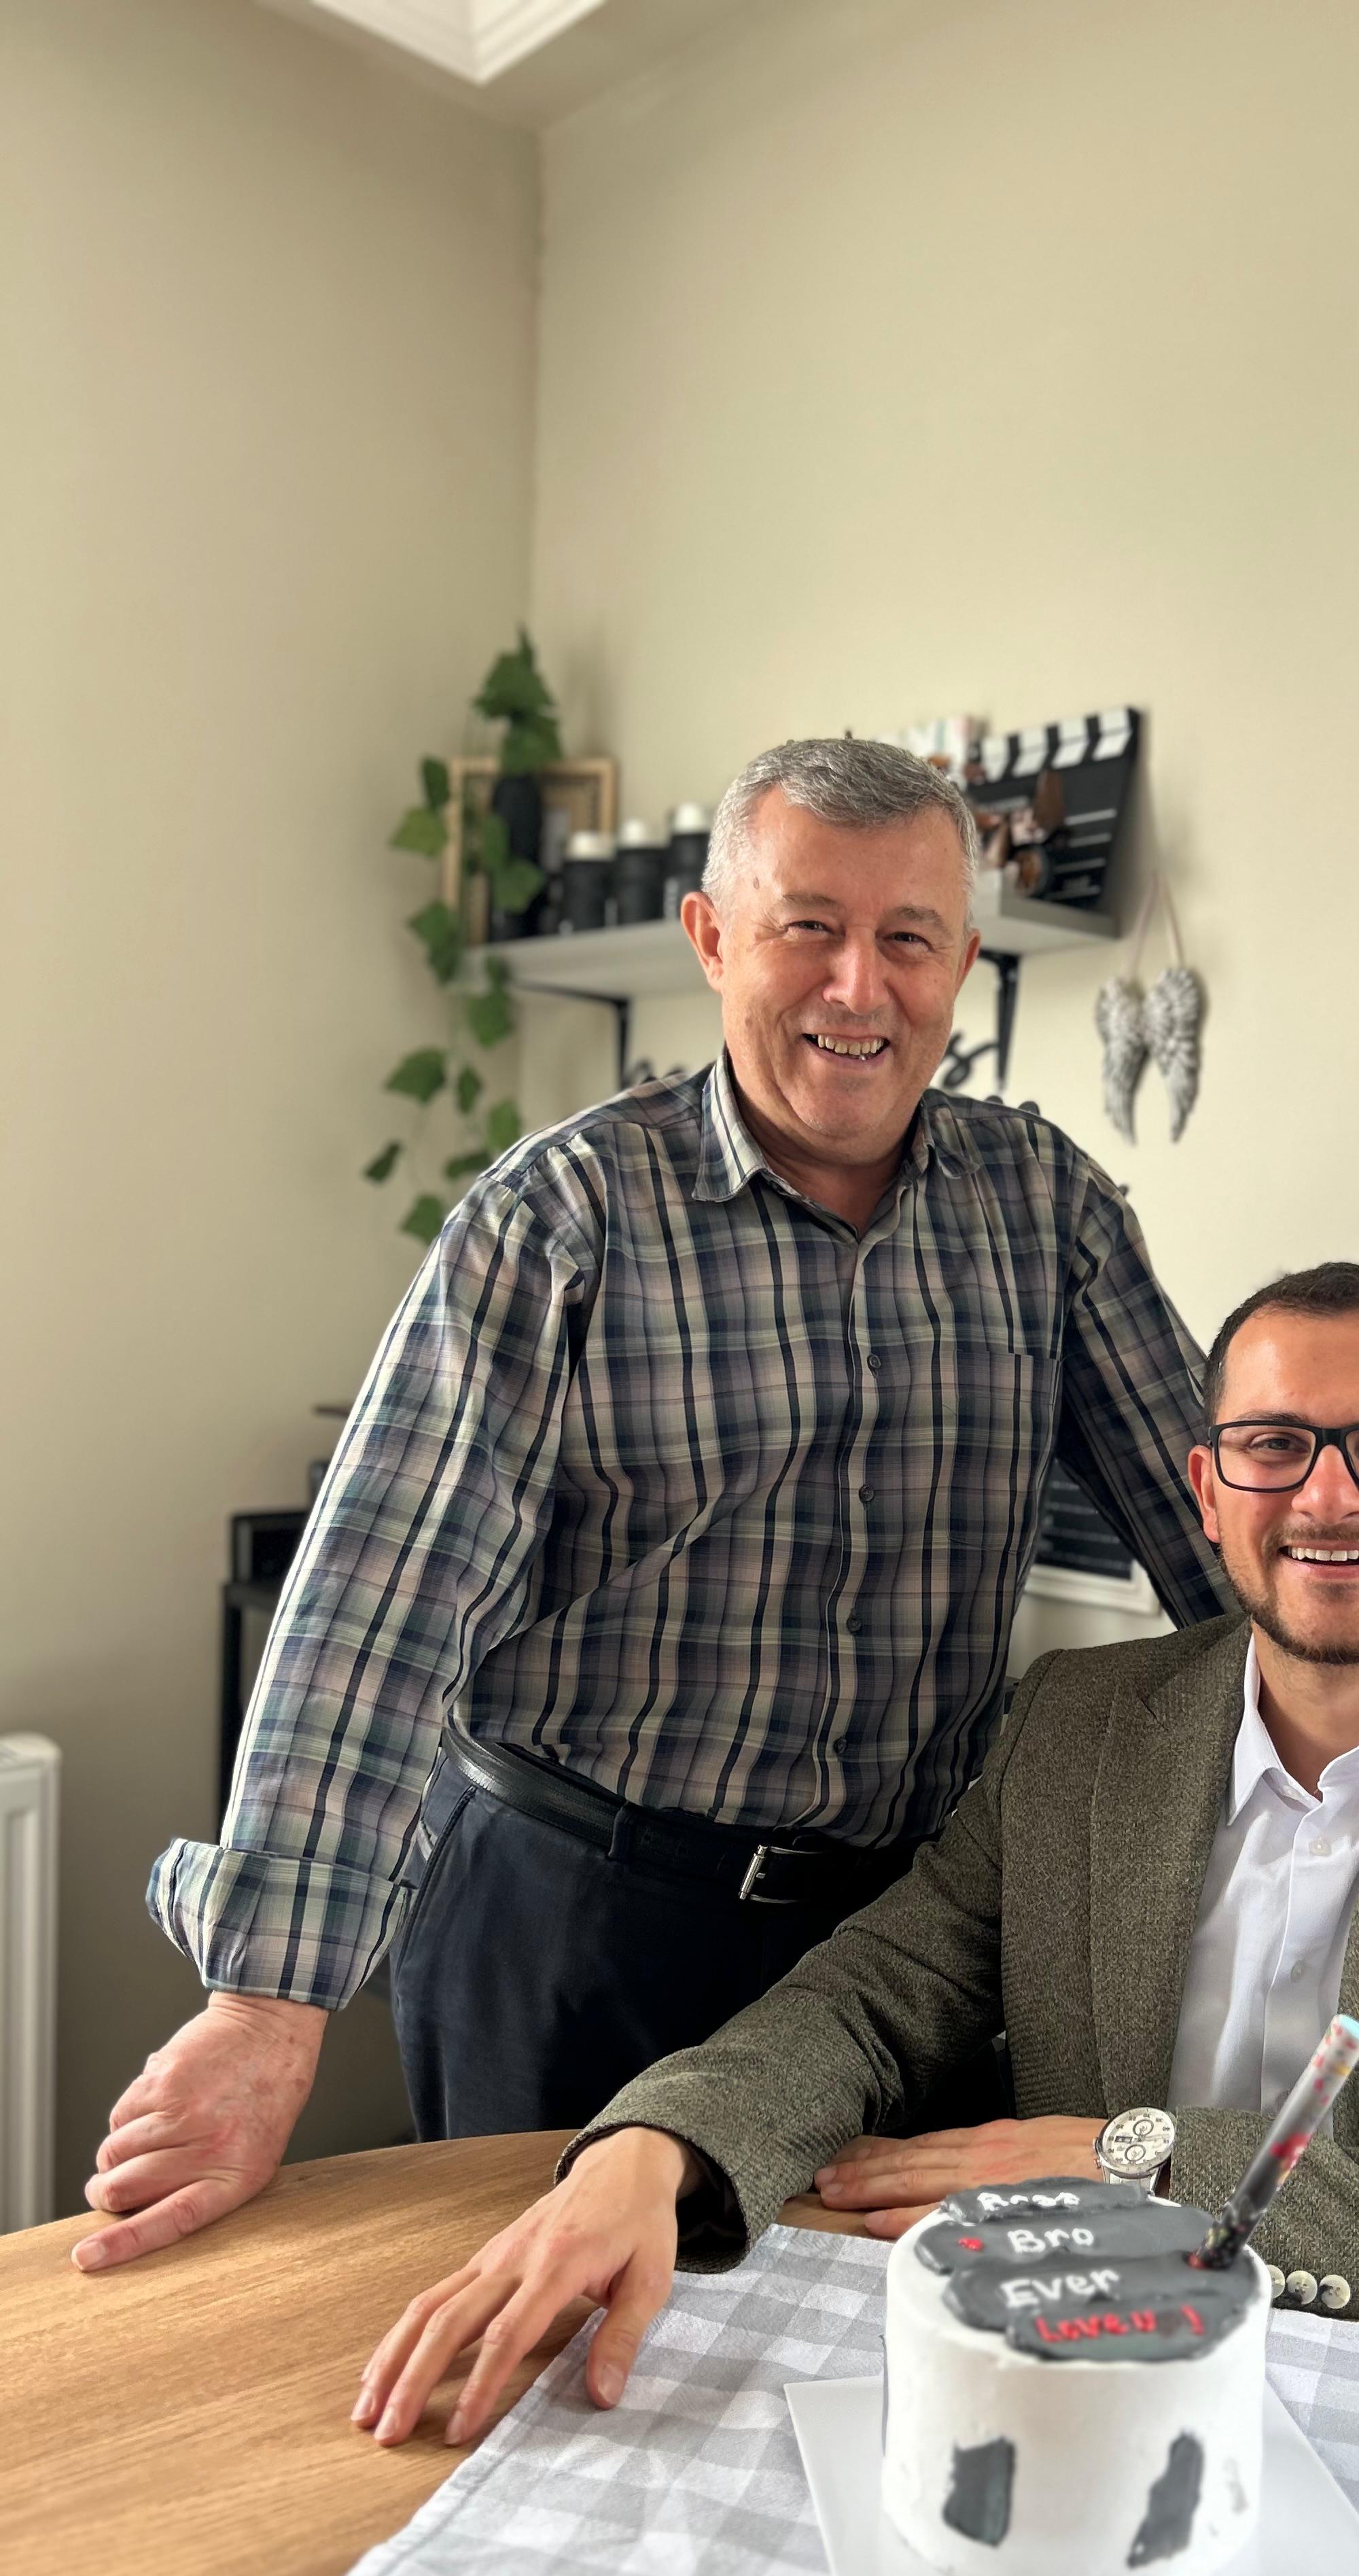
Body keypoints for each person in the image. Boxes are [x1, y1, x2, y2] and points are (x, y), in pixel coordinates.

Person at [351, 1260, 1359, 2576]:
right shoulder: (1079, 1726)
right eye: (1274, 1445)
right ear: (1209, 1490)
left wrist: (1144, 2169)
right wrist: (662, 2148)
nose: (1330, 1495)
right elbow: (873, 1995)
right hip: (1098, 2413)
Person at [77, 738, 1229, 2274]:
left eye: (909, 938)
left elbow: (1225, 1533)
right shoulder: (561, 1217)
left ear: (963, 962)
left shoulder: (1047, 1210)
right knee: (551, 2351)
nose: (860, 987)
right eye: (809, 927)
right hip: (574, 1918)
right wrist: (263, 2009)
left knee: (859, 2354)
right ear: (712, 937)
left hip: (888, 1952)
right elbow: (381, 1608)